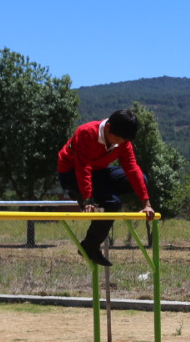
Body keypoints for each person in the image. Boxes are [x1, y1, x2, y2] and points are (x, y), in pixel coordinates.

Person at [57, 109, 157, 266]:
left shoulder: (123, 142)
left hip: (98, 172)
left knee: (142, 179)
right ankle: (89, 246)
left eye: (123, 141)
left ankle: (103, 199)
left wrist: (146, 203)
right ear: (108, 128)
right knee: (113, 203)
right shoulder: (86, 133)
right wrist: (88, 198)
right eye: (116, 139)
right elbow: (83, 167)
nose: (119, 143)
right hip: (71, 174)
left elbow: (132, 169)